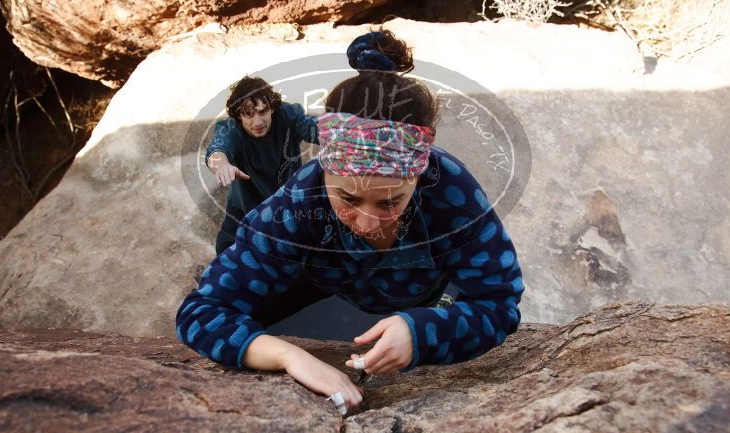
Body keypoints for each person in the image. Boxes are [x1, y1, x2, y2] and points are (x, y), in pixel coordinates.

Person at [177, 30, 524, 413]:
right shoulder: (299, 200)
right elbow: (202, 311)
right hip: (320, 285)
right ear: (325, 171)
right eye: (347, 197)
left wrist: (425, 331)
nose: (366, 222)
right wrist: (289, 357)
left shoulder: (451, 193)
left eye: (391, 200)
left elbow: (498, 302)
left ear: (419, 174)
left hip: (415, 293)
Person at [206, 76, 319, 253]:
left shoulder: (288, 116)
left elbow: (312, 127)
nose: (257, 122)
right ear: (238, 114)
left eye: (262, 112)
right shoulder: (231, 129)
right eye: (248, 114)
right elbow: (216, 149)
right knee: (226, 252)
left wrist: (341, 135)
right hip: (245, 207)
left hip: (287, 205)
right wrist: (222, 166)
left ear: (272, 108)